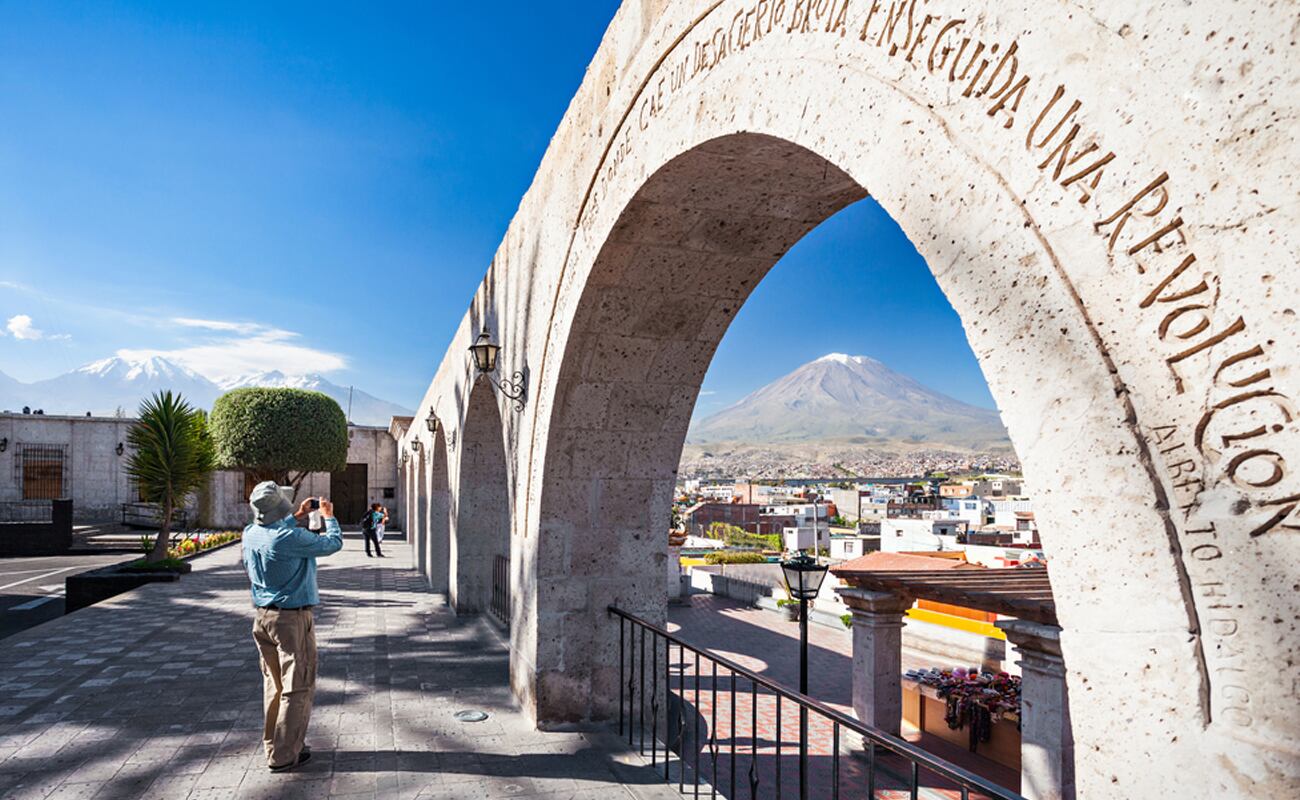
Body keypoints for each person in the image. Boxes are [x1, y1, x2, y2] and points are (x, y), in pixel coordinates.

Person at [242, 481, 343, 773]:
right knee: (297, 685)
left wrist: (296, 516)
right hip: (291, 620)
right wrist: (329, 517)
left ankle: (275, 745)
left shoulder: (251, 533)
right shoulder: (289, 538)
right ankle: (284, 755)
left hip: (263, 618)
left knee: (274, 685)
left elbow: (276, 530)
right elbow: (332, 544)